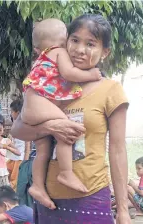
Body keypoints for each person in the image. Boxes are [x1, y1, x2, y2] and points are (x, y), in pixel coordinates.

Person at [11, 14, 136, 224]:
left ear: (104, 52)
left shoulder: (110, 90)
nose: (80, 49)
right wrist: (51, 126)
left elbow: (118, 150)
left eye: (90, 44)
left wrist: (123, 210)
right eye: (75, 40)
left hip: (89, 194)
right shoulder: (53, 82)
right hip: (49, 199)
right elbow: (17, 129)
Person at [21, 18, 105, 207]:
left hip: (33, 106)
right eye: (72, 40)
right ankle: (66, 173)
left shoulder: (40, 58)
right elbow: (69, 73)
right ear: (64, 40)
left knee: (42, 150)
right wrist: (91, 75)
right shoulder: (58, 52)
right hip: (39, 105)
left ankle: (37, 186)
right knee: (65, 129)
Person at [7, 99, 30, 191]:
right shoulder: (14, 125)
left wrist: (25, 161)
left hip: (20, 159)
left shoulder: (25, 127)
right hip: (12, 158)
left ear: (18, 112)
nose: (11, 114)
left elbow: (27, 146)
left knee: (15, 180)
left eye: (12, 111)